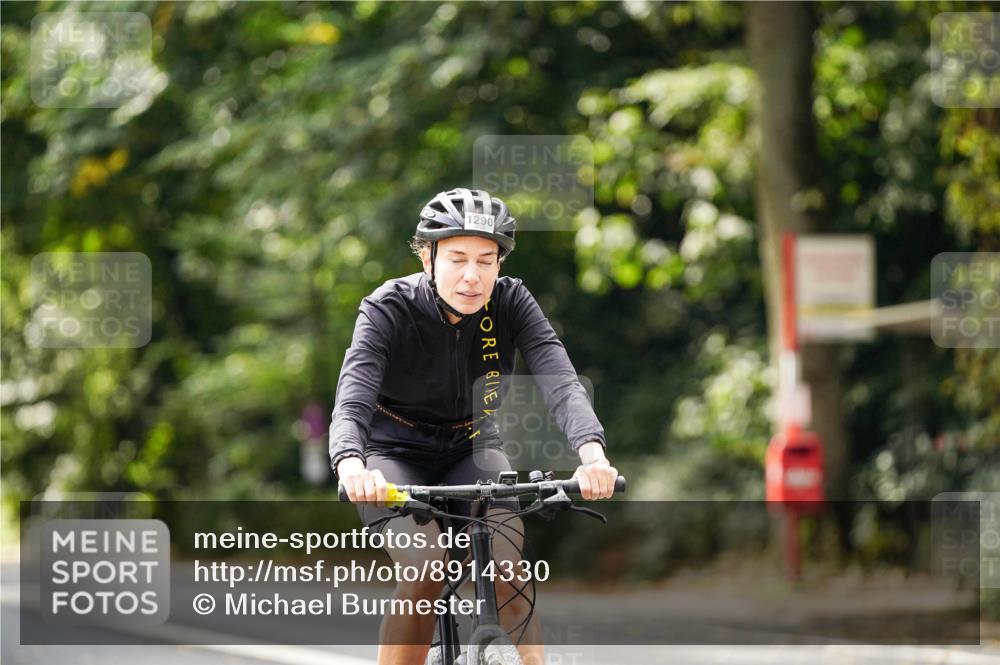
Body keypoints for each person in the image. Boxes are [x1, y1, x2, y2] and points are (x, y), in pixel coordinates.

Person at [330, 187, 618, 665]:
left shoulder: (510, 302)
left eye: (486, 260)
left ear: (500, 265)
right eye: (457, 258)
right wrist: (351, 464)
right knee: (426, 570)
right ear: (427, 257)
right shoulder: (387, 308)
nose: (472, 276)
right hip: (391, 456)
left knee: (509, 572)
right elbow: (353, 395)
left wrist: (592, 453)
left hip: (473, 449)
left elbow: (559, 379)